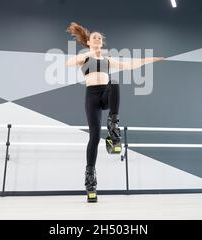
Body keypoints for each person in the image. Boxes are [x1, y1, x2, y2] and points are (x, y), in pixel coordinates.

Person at [65, 22, 164, 202]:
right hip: (91, 97)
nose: (97, 39)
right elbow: (68, 63)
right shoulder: (85, 57)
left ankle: (113, 128)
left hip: (105, 93)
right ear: (88, 42)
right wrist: (90, 53)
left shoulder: (107, 59)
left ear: (102, 43)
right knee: (94, 137)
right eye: (94, 37)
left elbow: (130, 65)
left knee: (115, 82)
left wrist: (149, 59)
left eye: (100, 38)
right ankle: (90, 178)